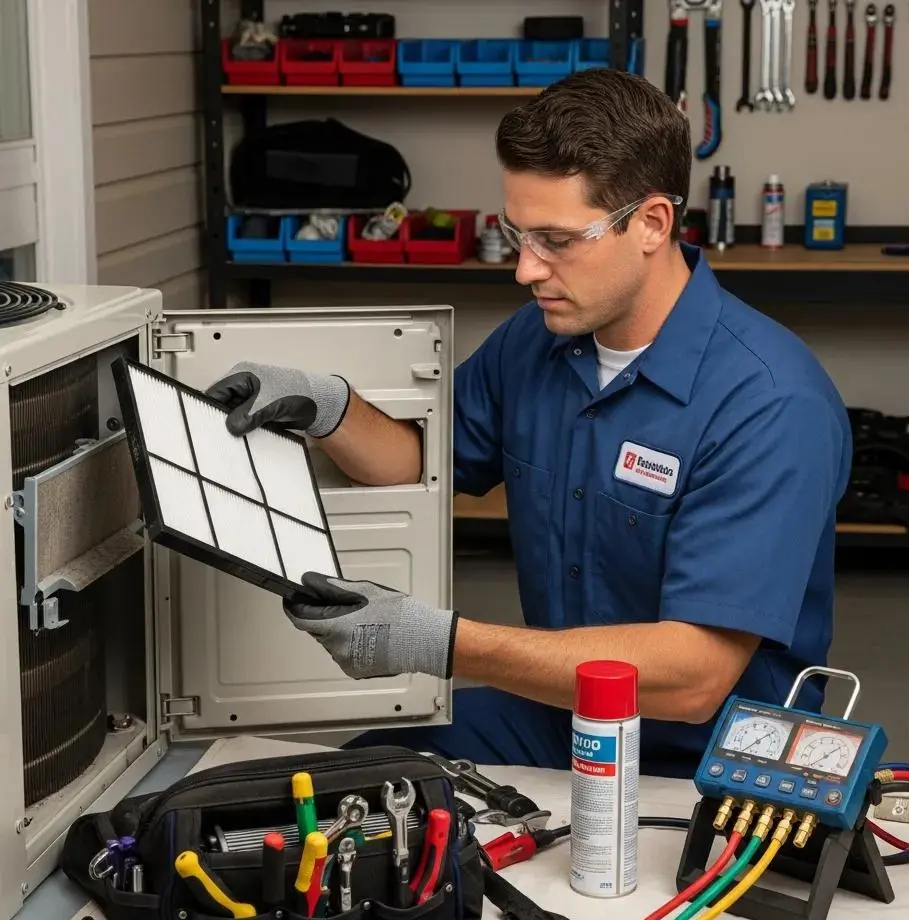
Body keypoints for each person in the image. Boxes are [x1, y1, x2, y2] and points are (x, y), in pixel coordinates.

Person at [206, 68, 852, 779]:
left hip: (716, 752)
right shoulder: (534, 342)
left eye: (556, 240)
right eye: (518, 235)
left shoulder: (768, 403)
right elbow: (419, 464)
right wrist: (327, 404)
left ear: (652, 223)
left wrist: (438, 644)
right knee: (353, 784)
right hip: (564, 714)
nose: (525, 270)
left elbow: (694, 679)